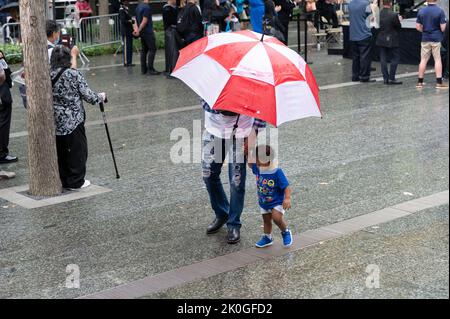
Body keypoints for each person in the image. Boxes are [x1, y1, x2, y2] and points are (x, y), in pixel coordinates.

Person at [202, 100, 266, 244]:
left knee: (236, 181)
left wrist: (253, 133)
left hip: (242, 131)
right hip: (214, 130)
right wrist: (224, 105)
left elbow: (262, 105)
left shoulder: (252, 78)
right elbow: (205, 101)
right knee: (208, 174)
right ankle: (222, 212)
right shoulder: (215, 77)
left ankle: (234, 223)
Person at [50, 46, 106, 190]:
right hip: (74, 120)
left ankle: (65, 180)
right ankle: (76, 181)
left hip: (55, 121)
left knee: (61, 152)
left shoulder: (48, 74)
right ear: (68, 59)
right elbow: (89, 96)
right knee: (78, 151)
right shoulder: (74, 75)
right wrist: (101, 97)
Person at [249, 145, 292, 248]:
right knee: (266, 220)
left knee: (276, 218)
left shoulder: (277, 172)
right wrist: (248, 151)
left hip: (276, 201)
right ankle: (267, 237)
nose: (255, 161)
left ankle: (285, 232)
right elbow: (250, 164)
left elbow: (286, 186)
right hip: (264, 201)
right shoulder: (258, 168)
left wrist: (287, 198)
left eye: (257, 158)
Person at [415, 0, 448, 89]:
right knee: (437, 59)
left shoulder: (421, 11)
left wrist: (425, 31)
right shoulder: (440, 11)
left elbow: (417, 27)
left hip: (425, 38)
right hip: (436, 39)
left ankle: (420, 82)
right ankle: (439, 83)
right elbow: (443, 27)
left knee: (423, 60)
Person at [376, 0, 402, 85]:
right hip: (392, 39)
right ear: (390, 3)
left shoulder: (378, 14)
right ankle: (391, 78)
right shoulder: (393, 14)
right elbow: (398, 26)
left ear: (383, 3)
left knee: (383, 58)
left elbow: (376, 25)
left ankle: (385, 78)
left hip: (381, 38)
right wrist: (399, 20)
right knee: (395, 57)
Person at [349, 0, 375, 82]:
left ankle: (355, 76)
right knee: (365, 57)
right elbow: (371, 18)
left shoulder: (350, 4)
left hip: (353, 34)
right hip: (364, 34)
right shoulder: (366, 4)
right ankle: (364, 76)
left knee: (355, 57)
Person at [134, 0, 161, 75]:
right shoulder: (147, 7)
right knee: (152, 49)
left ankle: (143, 69)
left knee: (144, 51)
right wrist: (139, 30)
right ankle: (150, 69)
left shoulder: (138, 7)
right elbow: (145, 21)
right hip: (148, 32)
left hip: (142, 33)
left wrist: (137, 30)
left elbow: (136, 20)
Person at [0, 50, 17, 164]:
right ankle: (2, 154)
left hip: (4, 95)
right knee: (3, 125)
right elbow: (2, 76)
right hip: (2, 97)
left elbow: (7, 73)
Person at [163, 0, 179, 77]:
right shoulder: (168, 8)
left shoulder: (170, 8)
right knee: (172, 51)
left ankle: (170, 69)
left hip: (170, 31)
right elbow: (172, 21)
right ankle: (171, 70)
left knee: (171, 51)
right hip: (170, 31)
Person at [119, 0, 135, 67]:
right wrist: (130, 21)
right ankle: (126, 62)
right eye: (126, 1)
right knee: (126, 47)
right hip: (125, 31)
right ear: (123, 2)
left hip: (129, 31)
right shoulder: (122, 10)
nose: (128, 2)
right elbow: (123, 20)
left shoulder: (126, 9)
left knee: (130, 47)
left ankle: (130, 62)